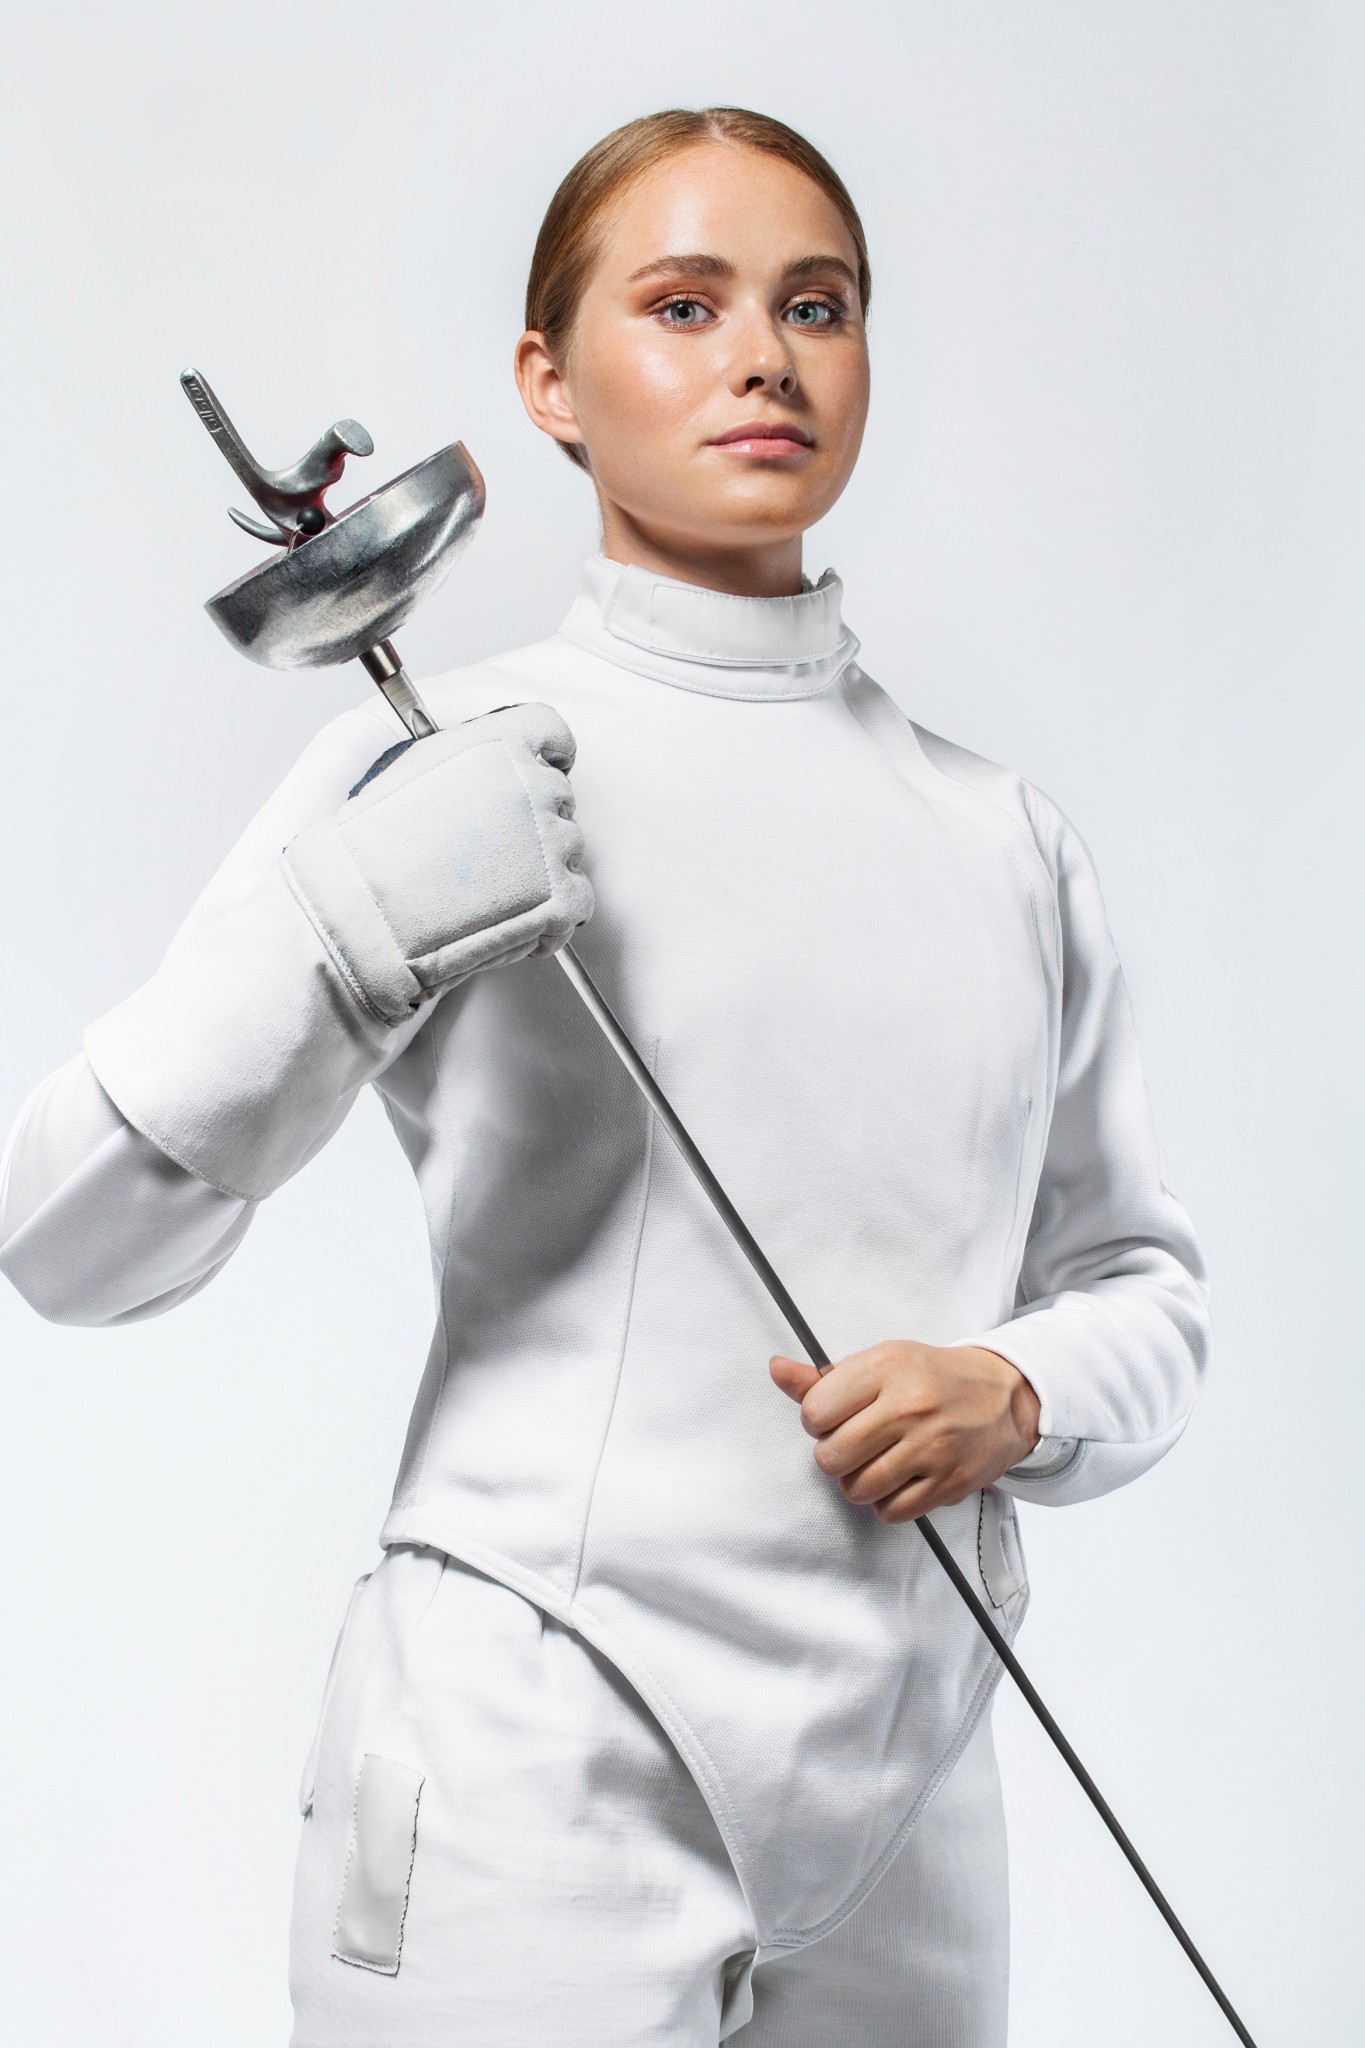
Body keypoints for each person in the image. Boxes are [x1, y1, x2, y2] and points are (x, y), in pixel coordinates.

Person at [0, 107, 1211, 2047]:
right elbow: (68, 1236)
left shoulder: (1001, 839)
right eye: (683, 304)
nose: (764, 359)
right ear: (547, 384)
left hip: (909, 1774)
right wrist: (345, 930)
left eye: (814, 306)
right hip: (529, 1753)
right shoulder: (446, 761)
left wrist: (1015, 1388)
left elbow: (1141, 1285)